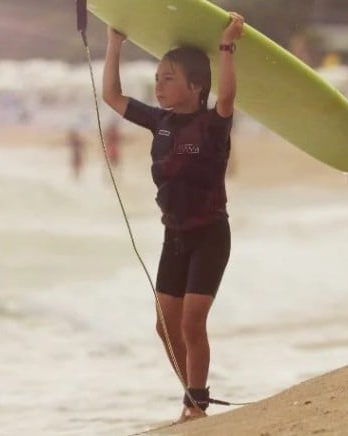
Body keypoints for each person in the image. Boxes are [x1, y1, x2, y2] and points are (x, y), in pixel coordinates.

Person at [102, 12, 244, 422]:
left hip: (211, 235)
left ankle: (195, 406)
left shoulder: (213, 125)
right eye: (158, 78)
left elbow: (229, 97)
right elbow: (113, 96)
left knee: (192, 322)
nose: (159, 86)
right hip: (175, 238)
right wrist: (115, 43)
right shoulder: (158, 121)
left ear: (196, 86)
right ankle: (192, 393)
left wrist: (226, 46)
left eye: (168, 79)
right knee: (166, 327)